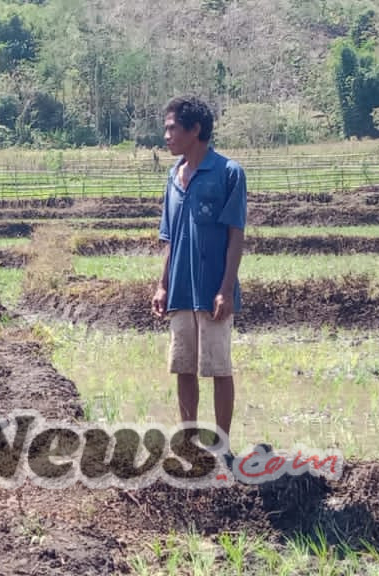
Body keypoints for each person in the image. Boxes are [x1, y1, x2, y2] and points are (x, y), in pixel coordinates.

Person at [150, 96, 246, 459]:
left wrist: (225, 289)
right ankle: (190, 445)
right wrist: (162, 284)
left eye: (173, 128)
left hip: (212, 290)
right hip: (180, 289)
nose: (167, 135)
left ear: (195, 130)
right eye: (167, 128)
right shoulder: (172, 177)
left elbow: (236, 235)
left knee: (219, 367)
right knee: (183, 367)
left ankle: (222, 446)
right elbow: (171, 237)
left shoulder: (228, 173)